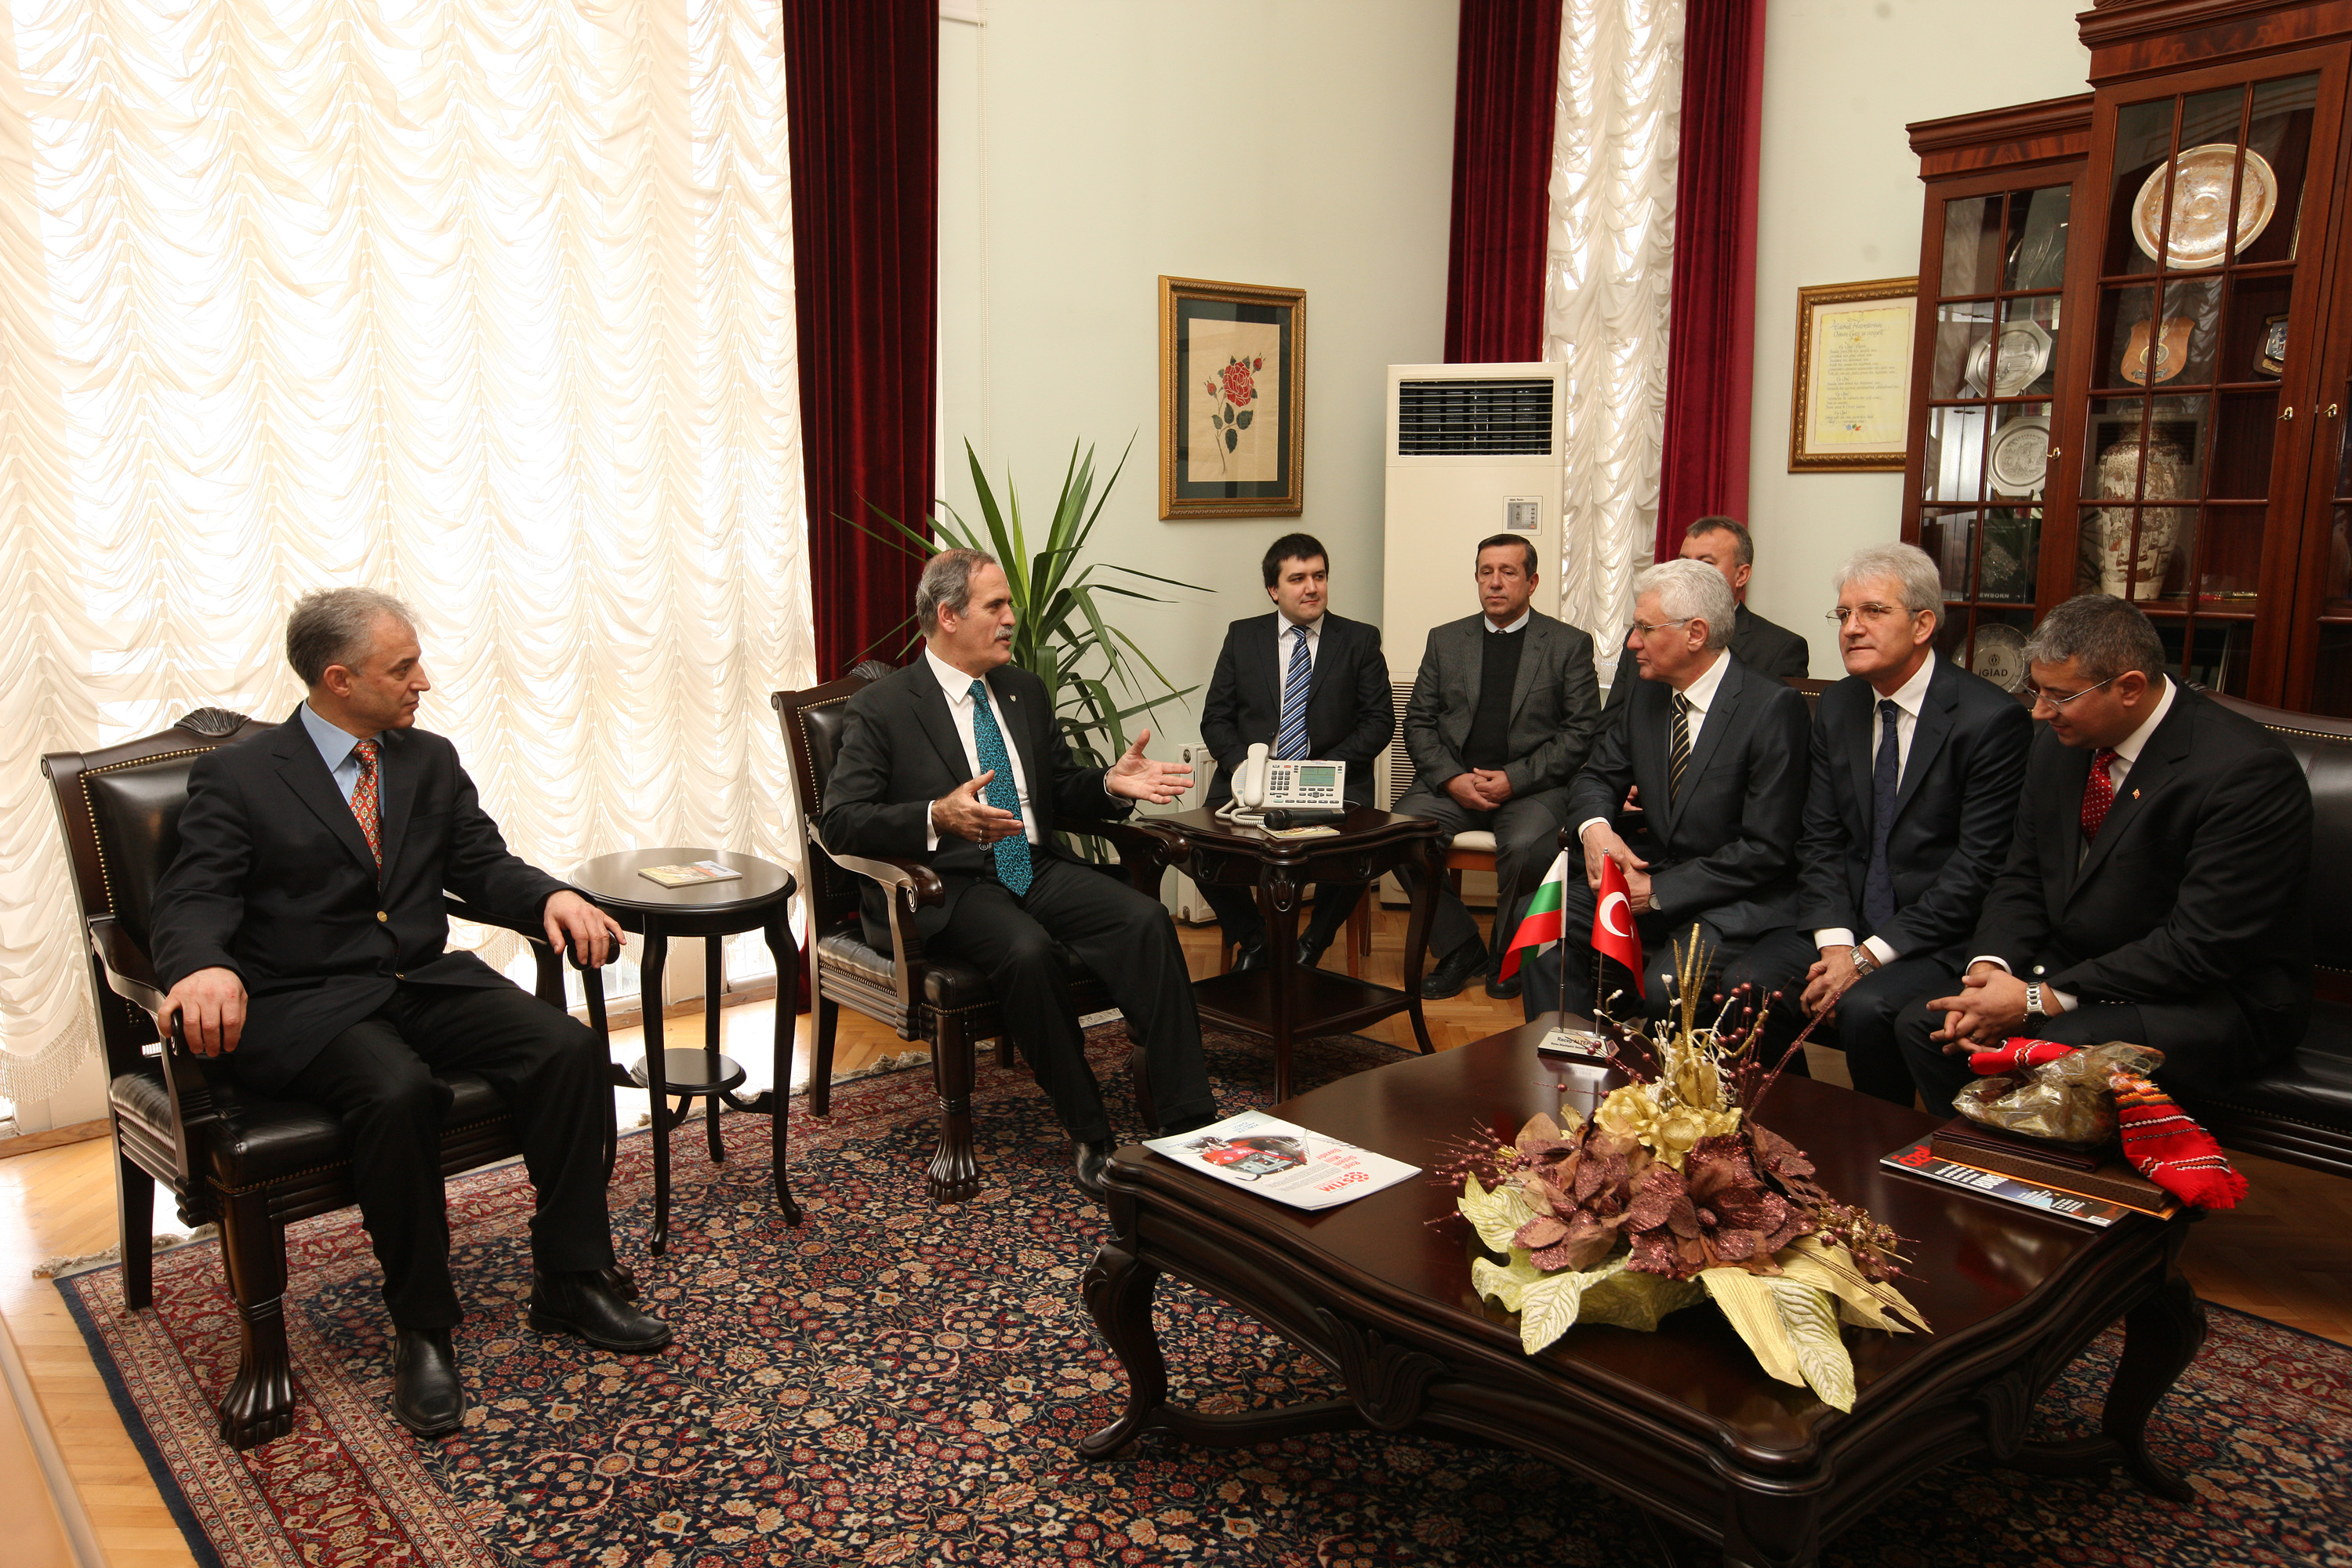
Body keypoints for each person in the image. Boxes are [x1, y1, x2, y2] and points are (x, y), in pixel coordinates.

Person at [150, 588, 668, 1440]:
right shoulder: (241, 775)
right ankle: (423, 1326)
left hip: (422, 979)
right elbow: (195, 893)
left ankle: (572, 1277)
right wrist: (201, 963)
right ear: (339, 679)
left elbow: (482, 863)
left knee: (567, 1049)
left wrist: (552, 895)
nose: (422, 680)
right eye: (403, 667)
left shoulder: (427, 758)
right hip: (308, 999)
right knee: (396, 1091)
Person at [818, 549, 1219, 1198]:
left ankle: (1189, 1123)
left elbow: (1057, 788)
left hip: (1032, 863)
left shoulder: (1022, 690)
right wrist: (936, 815)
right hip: (949, 883)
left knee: (1145, 919)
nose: (1012, 618)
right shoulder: (883, 707)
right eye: (996, 606)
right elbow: (841, 822)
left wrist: (1110, 784)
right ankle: (1091, 1134)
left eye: (1010, 605)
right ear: (948, 616)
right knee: (1027, 951)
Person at [1894, 593, 2313, 1114]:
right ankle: (1975, 1159)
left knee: (2060, 1048)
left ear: (2129, 688)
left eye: (2059, 696)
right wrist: (1990, 970)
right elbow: (2024, 876)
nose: (2040, 711)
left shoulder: (2245, 771)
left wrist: (2035, 1000)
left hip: (2214, 995)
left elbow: (2201, 946)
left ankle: (2043, 1167)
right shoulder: (2058, 744)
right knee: (1928, 1025)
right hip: (2085, 966)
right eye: (2037, 691)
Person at [1736, 543, 2031, 1101]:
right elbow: (1820, 838)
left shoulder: (1990, 720)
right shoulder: (1839, 704)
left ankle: (1882, 1138)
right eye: (1844, 613)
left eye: (1873, 611)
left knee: (1866, 1006)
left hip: (1935, 933)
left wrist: (1866, 958)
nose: (1852, 628)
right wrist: (1835, 945)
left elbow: (1977, 868)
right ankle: (1794, 1119)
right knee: (1746, 984)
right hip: (1847, 920)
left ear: (1923, 625)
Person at [1522, 558, 1810, 1027]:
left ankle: (1647, 1073)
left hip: (1732, 899)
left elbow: (1766, 848)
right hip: (1654, 875)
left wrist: (1658, 890)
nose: (1632, 643)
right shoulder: (1649, 693)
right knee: (1542, 925)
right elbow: (1597, 776)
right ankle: (1570, 1060)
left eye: (1644, 628)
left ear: (1695, 633)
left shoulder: (1772, 708)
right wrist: (1595, 829)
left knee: (1665, 991)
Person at [1392, 534, 1602, 1000]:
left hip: (1533, 789)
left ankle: (1508, 957)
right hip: (1456, 784)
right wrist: (1452, 778)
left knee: (1527, 847)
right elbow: (1418, 722)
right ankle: (1461, 946)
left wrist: (1515, 779)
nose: (1495, 582)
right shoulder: (1446, 640)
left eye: (1508, 572)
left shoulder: (1568, 645)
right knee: (1399, 835)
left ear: (1532, 581)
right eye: (1486, 572)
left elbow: (1580, 733)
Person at [1198, 534, 1393, 969]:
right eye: (1298, 578)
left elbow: (1379, 721)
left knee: (1357, 854)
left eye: (1319, 577)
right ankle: (1257, 941)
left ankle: (1310, 947)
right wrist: (1245, 767)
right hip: (1253, 778)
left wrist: (1324, 767)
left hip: (1332, 778)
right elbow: (1215, 718)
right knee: (1199, 851)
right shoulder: (1243, 636)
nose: (1312, 588)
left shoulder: (1359, 639)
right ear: (1274, 589)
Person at [1601, 517, 1809, 724]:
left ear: (1742, 575)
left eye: (1706, 564)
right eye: (1684, 562)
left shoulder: (1779, 648)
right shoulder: (1643, 637)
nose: (1688, 573)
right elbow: (1610, 725)